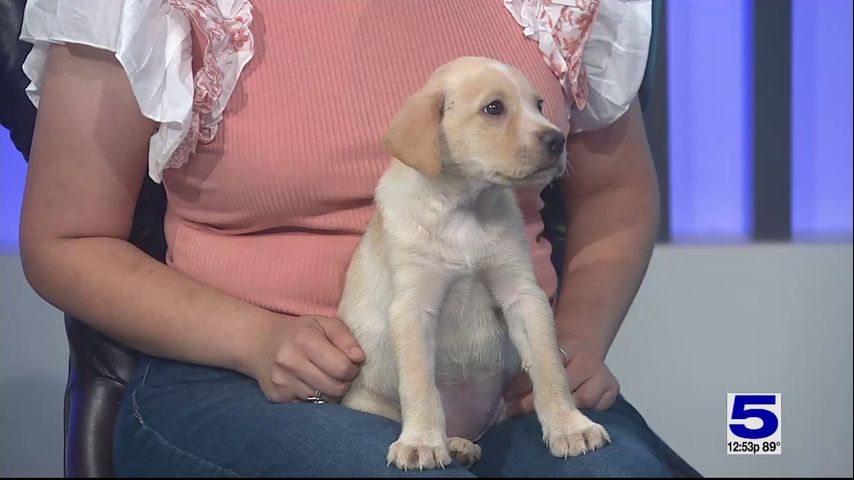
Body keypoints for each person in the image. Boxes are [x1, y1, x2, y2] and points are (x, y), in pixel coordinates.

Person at [18, 0, 700, 476]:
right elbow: (67, 237)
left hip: (504, 386)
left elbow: (615, 193)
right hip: (244, 382)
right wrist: (254, 339)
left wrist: (573, 338)